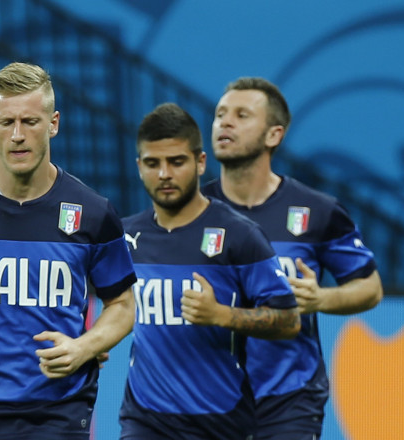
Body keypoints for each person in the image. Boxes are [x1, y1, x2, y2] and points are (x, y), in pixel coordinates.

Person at [0, 61, 137, 440]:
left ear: (53, 123)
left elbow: (122, 305)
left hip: (61, 413)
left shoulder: (93, 212)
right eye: (6, 122)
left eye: (30, 122)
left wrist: (84, 347)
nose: (17, 135)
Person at [203, 77, 383, 439]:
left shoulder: (318, 211)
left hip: (289, 399)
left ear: (274, 135)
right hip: (205, 396)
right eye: (221, 114)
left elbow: (372, 288)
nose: (225, 122)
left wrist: (321, 298)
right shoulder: (191, 211)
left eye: (242, 114)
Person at [119, 103, 301, 439]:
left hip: (220, 421)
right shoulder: (125, 236)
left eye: (176, 162)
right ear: (138, 167)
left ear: (201, 162)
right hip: (144, 419)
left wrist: (221, 315)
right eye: (152, 163)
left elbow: (289, 321)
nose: (164, 175)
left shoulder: (240, 236)